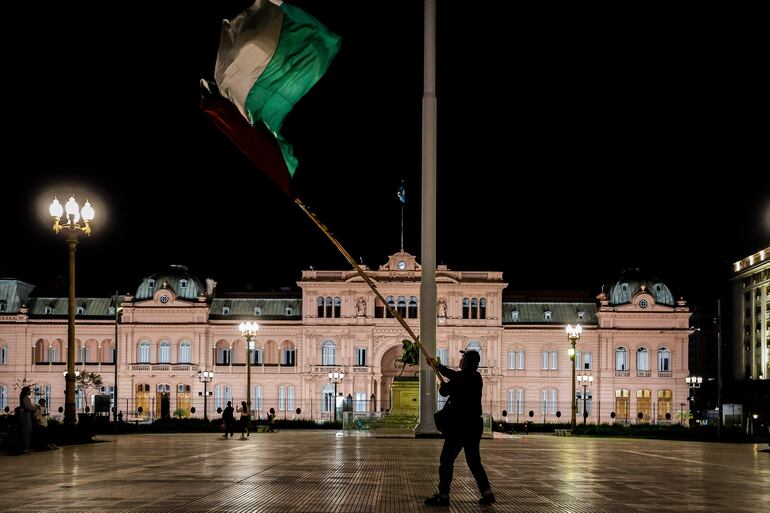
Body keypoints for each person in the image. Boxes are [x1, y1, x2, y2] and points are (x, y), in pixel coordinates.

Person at [424, 350, 495, 506]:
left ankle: (443, 496)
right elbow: (454, 375)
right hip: (474, 426)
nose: (460, 360)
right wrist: (438, 366)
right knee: (474, 462)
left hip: (459, 427)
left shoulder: (461, 378)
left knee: (446, 460)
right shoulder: (477, 377)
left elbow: (444, 391)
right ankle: (487, 493)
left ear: (467, 362)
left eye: (463, 358)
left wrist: (442, 382)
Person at [18, 386, 35, 453]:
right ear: (26, 391)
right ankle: (26, 448)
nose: (30, 392)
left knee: (27, 431)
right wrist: (35, 408)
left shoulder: (23, 397)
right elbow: (29, 407)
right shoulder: (26, 398)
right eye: (29, 391)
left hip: (25, 415)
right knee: (27, 431)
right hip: (26, 415)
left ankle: (26, 447)